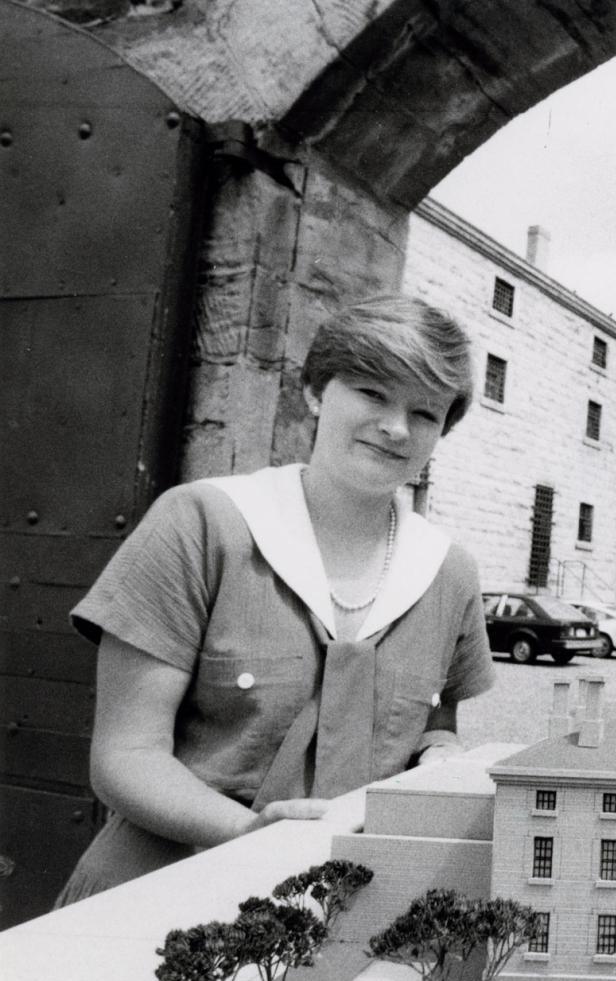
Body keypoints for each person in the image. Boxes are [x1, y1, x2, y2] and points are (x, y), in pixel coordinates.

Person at [55, 294, 496, 904]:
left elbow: (435, 729)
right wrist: (249, 832)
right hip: (160, 892)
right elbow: (124, 756)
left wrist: (443, 757)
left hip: (341, 912)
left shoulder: (449, 572)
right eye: (372, 393)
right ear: (316, 392)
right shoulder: (202, 523)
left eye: (424, 413)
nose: (396, 427)